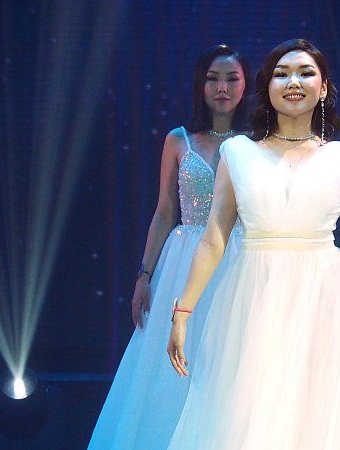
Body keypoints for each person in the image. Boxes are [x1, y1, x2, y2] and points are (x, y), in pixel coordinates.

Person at [167, 39, 340, 449]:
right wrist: (182, 313)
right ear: (267, 86)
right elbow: (213, 239)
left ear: (324, 88)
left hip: (324, 301)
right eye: (281, 74)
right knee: (251, 418)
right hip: (253, 298)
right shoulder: (238, 152)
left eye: (305, 73)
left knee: (321, 419)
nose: (293, 82)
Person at [88, 44, 252, 450]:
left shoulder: (257, 142)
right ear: (200, 84)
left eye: (232, 79)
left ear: (246, 85)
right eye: (213, 78)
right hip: (183, 260)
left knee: (233, 361)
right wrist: (144, 275)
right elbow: (165, 211)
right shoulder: (179, 140)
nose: (222, 87)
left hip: (239, 259)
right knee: (172, 367)